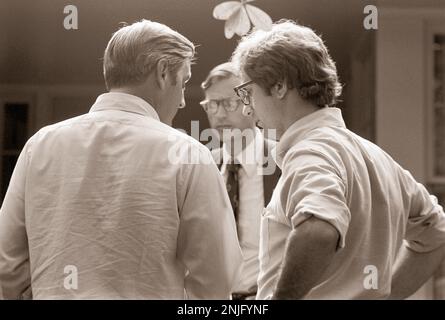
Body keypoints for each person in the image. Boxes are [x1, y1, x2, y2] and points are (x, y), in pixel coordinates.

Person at [0, 19, 242, 299]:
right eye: (184, 83)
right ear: (163, 72)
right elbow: (217, 278)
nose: (183, 102)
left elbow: (7, 262)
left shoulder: (39, 146)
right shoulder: (189, 155)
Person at [231, 19, 445, 299]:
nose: (247, 110)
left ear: (280, 85)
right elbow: (435, 234)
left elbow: (319, 231)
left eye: (247, 93)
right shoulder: (376, 156)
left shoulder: (310, 152)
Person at [200, 62, 280, 299]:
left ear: (251, 104)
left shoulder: (283, 159)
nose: (220, 114)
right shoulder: (201, 167)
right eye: (213, 104)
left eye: (230, 102)